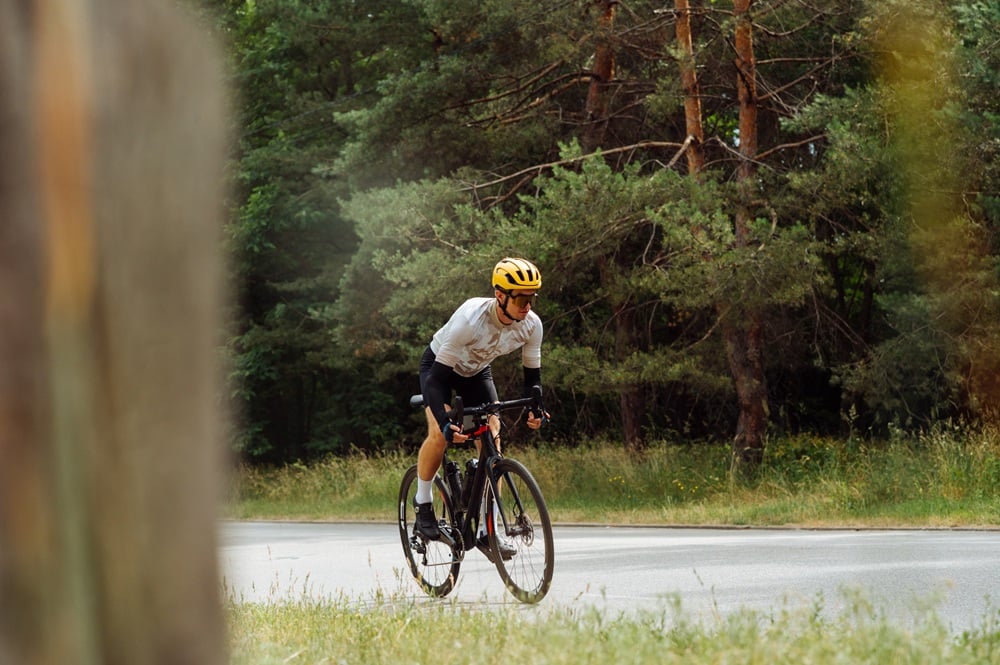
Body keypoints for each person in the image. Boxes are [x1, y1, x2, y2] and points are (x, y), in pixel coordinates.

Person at [413, 258, 549, 556]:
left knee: (493, 436)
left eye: (532, 298)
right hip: (440, 369)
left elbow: (533, 378)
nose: (527, 306)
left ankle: (490, 530)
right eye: (521, 299)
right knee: (439, 434)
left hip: (476, 371)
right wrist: (446, 421)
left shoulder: (531, 325)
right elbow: (435, 381)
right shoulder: (470, 320)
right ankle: (423, 503)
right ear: (500, 295)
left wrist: (535, 406)